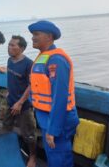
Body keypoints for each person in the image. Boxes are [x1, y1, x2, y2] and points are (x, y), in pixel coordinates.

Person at [28, 20, 79, 167]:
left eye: (36, 34)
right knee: (53, 156)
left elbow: (60, 97)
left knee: (59, 159)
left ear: (49, 36)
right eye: (32, 34)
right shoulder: (43, 56)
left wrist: (53, 129)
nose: (32, 37)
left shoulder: (56, 59)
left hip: (57, 120)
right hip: (45, 117)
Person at [3, 35, 37, 167]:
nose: (9, 47)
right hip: (10, 101)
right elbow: (11, 78)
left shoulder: (29, 64)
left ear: (21, 48)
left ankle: (33, 157)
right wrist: (8, 91)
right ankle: (8, 148)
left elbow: (31, 85)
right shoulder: (10, 60)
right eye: (9, 45)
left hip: (24, 106)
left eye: (13, 45)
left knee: (29, 134)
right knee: (6, 126)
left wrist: (20, 102)